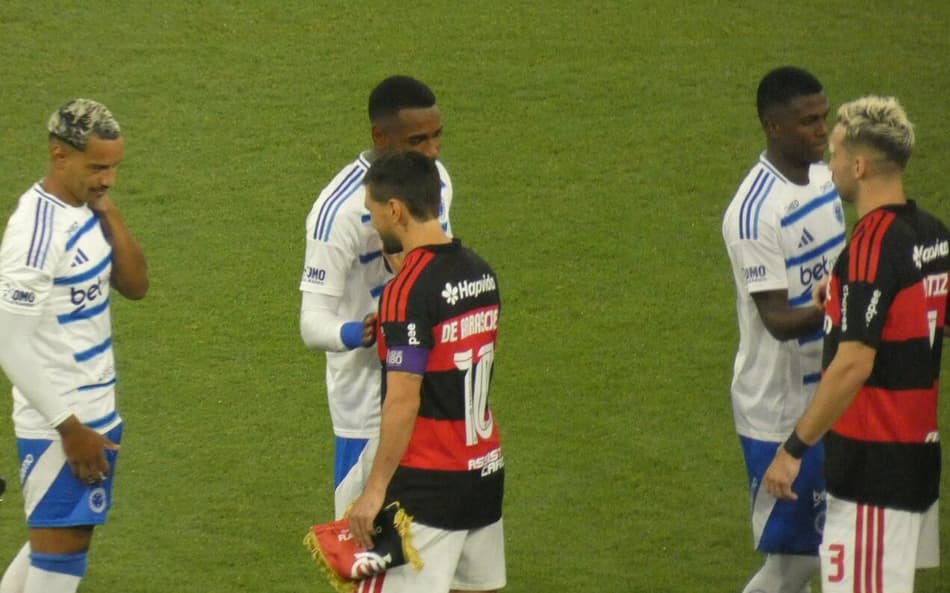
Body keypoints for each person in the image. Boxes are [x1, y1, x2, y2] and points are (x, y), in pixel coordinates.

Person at [765, 96, 946, 592]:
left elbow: (852, 365)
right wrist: (846, 296)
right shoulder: (930, 234)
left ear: (861, 166)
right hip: (916, 463)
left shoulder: (869, 246)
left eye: (839, 154)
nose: (831, 163)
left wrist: (793, 449)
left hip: (872, 474)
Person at [0, 99, 148, 593]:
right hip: (60, 422)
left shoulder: (87, 208)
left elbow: (135, 284)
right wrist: (69, 428)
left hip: (96, 412)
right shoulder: (35, 232)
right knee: (61, 562)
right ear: (59, 155)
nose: (107, 178)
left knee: (58, 544)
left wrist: (108, 209)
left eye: (114, 168)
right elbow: (8, 342)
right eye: (97, 167)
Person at [347, 151, 505, 593]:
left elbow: (403, 398)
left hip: (425, 491)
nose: (374, 221)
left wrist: (376, 489)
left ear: (395, 209)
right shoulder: (481, 273)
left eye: (374, 212)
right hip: (483, 479)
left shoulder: (406, 292)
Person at [299, 75, 453, 519]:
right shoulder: (338, 213)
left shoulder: (435, 182)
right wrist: (357, 331)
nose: (433, 152)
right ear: (380, 138)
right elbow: (311, 323)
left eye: (437, 136)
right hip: (367, 405)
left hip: (431, 386)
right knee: (364, 558)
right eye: (418, 140)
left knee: (440, 545)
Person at [722, 66, 845, 593]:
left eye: (823, 117)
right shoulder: (753, 214)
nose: (822, 130)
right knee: (796, 562)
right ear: (774, 127)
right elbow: (776, 321)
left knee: (837, 546)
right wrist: (852, 306)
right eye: (808, 122)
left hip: (834, 392)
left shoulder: (826, 177)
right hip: (777, 411)